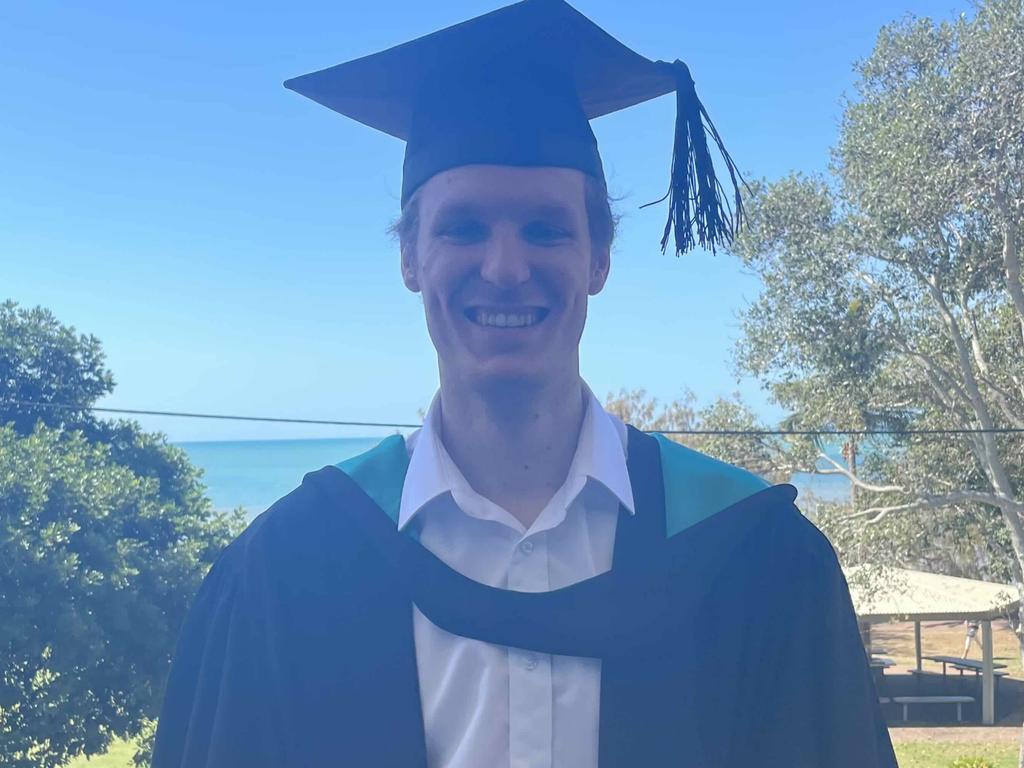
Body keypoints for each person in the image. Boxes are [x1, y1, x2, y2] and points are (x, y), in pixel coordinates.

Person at [152, 1, 897, 766]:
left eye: (545, 228)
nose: (505, 268)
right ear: (409, 256)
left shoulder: (753, 561)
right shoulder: (288, 571)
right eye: (463, 227)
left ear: (599, 258)